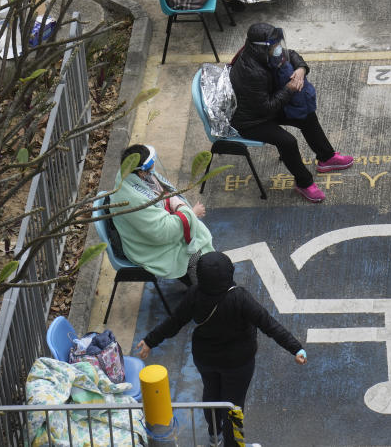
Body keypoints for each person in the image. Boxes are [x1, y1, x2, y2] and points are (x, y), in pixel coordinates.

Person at [136, 252, 307, 447]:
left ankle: (214, 437)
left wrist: (150, 340)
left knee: (211, 395)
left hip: (205, 359)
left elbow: (174, 322)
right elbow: (269, 324)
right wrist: (296, 348)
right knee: (233, 405)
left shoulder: (194, 294)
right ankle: (232, 444)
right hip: (238, 363)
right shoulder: (240, 298)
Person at [229, 23, 353, 203]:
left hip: (265, 106)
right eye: (274, 45)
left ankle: (326, 158)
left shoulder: (263, 55)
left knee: (306, 115)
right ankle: (304, 182)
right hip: (250, 121)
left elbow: (291, 55)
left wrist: (301, 70)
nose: (278, 48)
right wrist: (289, 89)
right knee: (287, 141)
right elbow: (268, 108)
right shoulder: (253, 73)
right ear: (261, 47)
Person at [110, 144, 214, 284]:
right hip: (147, 247)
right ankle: (203, 292)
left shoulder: (128, 174)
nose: (154, 168)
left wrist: (178, 205)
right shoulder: (133, 199)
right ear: (142, 172)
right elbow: (165, 231)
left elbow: (163, 193)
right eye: (152, 165)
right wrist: (190, 213)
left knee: (200, 244)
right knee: (197, 256)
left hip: (149, 235)